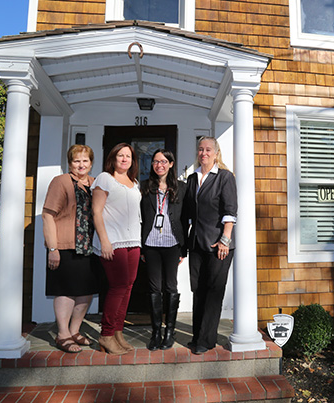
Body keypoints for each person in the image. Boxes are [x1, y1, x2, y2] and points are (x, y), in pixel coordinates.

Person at [42, 144, 99, 353]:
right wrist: (52, 248)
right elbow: (48, 214)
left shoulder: (95, 184)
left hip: (90, 247)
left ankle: (75, 330)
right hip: (65, 246)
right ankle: (63, 334)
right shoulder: (61, 182)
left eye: (85, 161)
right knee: (65, 290)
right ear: (70, 163)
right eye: (77, 161)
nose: (81, 165)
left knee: (85, 291)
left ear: (91, 163)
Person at [183, 136, 237, 355]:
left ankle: (206, 340)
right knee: (199, 290)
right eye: (200, 149)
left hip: (218, 244)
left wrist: (226, 239)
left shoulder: (224, 177)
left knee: (214, 292)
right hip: (196, 242)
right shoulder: (193, 178)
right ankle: (198, 336)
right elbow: (187, 213)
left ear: (216, 153)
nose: (203, 153)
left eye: (208, 150)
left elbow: (230, 210)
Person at [92, 143, 142, 355]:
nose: (124, 159)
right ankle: (106, 334)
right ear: (113, 158)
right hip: (113, 241)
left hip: (133, 241)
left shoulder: (134, 182)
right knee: (118, 287)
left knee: (128, 287)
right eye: (120, 155)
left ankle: (118, 332)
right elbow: (96, 212)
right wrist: (104, 241)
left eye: (128, 156)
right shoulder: (105, 178)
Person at [140, 149, 187, 351]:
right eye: (156, 161)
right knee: (154, 289)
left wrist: (183, 249)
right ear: (152, 165)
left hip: (172, 244)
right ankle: (156, 332)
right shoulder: (143, 187)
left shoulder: (182, 188)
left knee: (171, 287)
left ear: (170, 164)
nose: (159, 165)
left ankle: (170, 331)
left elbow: (186, 218)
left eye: (163, 161)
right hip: (151, 244)